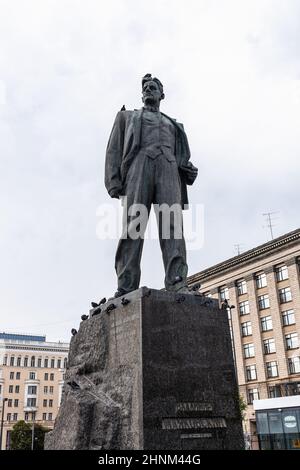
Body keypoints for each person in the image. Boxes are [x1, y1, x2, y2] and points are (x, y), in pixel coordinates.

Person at [105, 74, 198, 297]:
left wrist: (188, 171)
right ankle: (126, 284)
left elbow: (183, 160)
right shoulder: (127, 117)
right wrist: (113, 181)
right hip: (138, 166)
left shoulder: (175, 125)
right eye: (146, 87)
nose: (148, 89)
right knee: (133, 225)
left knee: (172, 226)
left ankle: (177, 281)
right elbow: (113, 149)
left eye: (153, 87)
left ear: (161, 94)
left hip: (168, 167)